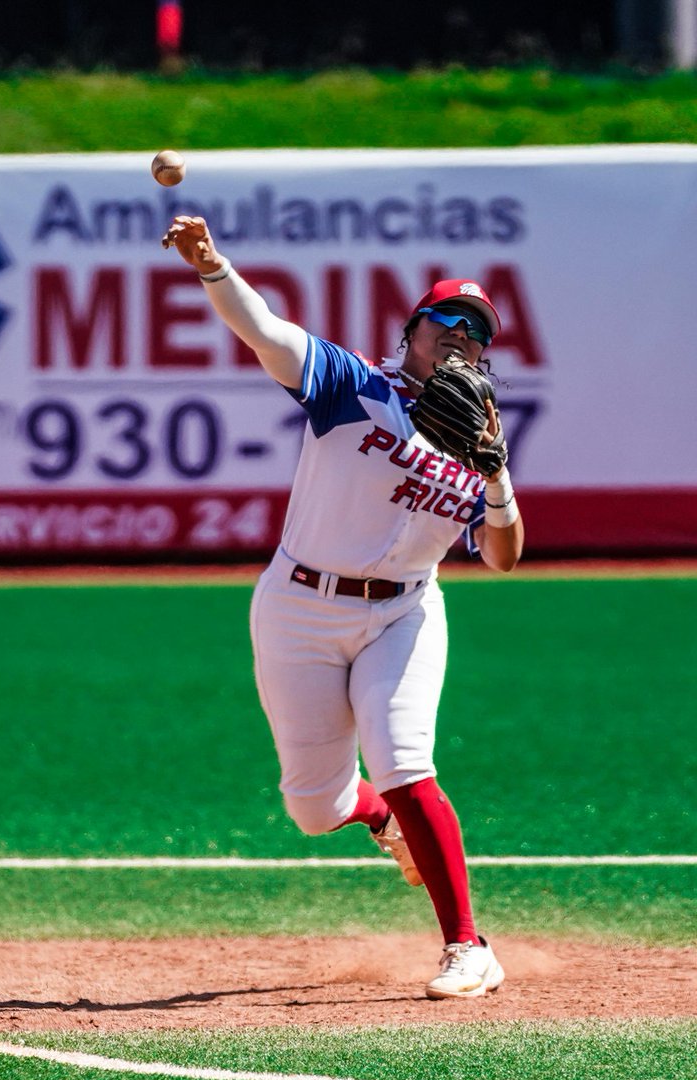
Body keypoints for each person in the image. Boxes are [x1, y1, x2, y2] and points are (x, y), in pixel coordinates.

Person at [163, 215, 523, 1000]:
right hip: (298, 607)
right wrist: (214, 265)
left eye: (478, 331)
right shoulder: (350, 384)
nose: (462, 337)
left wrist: (496, 479)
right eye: (447, 322)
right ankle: (381, 822)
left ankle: (468, 944)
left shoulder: (479, 437)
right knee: (314, 808)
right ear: (411, 331)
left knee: (403, 760)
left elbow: (503, 554)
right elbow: (263, 331)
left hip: (405, 613)